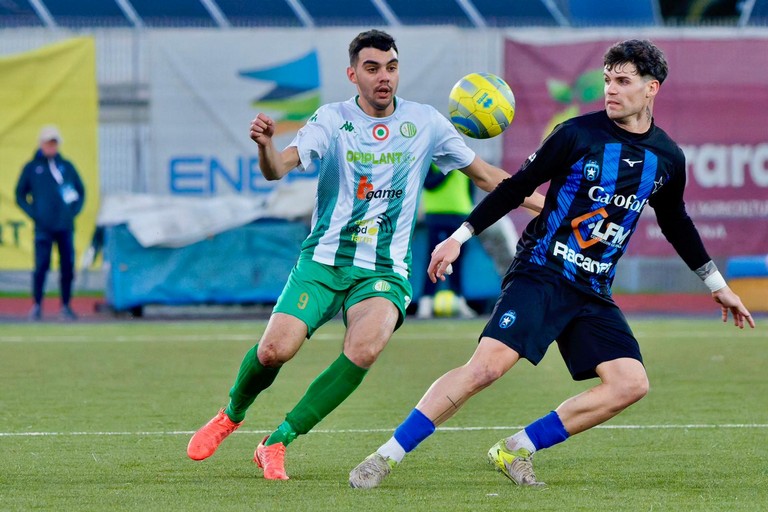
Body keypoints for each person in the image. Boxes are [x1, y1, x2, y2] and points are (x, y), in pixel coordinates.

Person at [348, 39, 755, 489]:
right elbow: (514, 187)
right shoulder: (576, 134)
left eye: (623, 81)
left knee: (630, 383)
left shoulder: (667, 159)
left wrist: (715, 283)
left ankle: (516, 448)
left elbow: (675, 220)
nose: (611, 90)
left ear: (651, 88)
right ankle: (385, 456)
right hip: (542, 271)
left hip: (593, 289)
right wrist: (460, 237)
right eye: (606, 81)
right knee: (486, 368)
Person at [186, 29, 544, 480]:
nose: (384, 78)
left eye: (391, 68)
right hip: (324, 259)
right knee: (276, 350)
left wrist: (549, 206)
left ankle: (277, 441)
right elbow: (278, 169)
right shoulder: (331, 120)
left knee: (365, 347)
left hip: (385, 268)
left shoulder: (426, 122)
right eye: (372, 69)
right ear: (352, 74)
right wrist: (265, 147)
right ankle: (231, 414)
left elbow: (489, 177)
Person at [15, 125, 85, 321]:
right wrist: (35, 213)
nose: (50, 146)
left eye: (54, 143)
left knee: (67, 266)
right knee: (41, 266)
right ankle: (37, 305)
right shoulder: (32, 168)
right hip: (43, 228)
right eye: (48, 142)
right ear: (41, 144)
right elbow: (20, 194)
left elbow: (80, 191)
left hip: (64, 226)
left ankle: (66, 305)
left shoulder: (67, 167)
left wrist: (72, 212)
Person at [415, 164, 476, 319]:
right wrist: (448, 170)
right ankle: (426, 302)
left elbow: (471, 187)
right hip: (437, 214)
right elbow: (429, 184)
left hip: (461, 214)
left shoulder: (463, 160)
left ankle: (459, 300)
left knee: (458, 261)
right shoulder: (431, 162)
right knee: (434, 260)